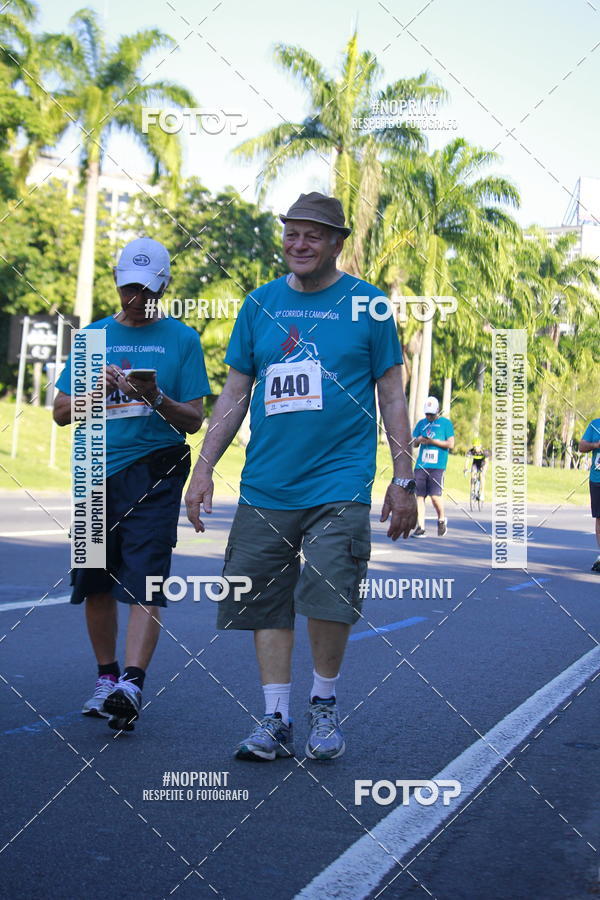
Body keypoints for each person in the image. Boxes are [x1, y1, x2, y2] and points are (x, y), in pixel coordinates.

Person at [185, 191, 417, 761]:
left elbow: (391, 395)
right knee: (263, 600)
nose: (300, 243)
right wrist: (205, 467)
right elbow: (235, 394)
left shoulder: (369, 307)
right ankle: (275, 719)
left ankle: (324, 706)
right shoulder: (259, 305)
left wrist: (404, 478)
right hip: (267, 481)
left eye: (314, 234)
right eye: (292, 233)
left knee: (331, 589)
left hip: (340, 479)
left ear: (338, 243)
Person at [54, 237, 210, 730]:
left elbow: (194, 420)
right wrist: (95, 392)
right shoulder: (93, 337)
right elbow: (60, 413)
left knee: (146, 580)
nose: (136, 297)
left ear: (164, 286)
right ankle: (107, 677)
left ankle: (133, 684)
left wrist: (155, 395)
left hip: (155, 471)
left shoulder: (182, 339)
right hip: (93, 471)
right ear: (117, 283)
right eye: (128, 287)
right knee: (94, 583)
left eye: (146, 288)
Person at [411, 396, 455, 537]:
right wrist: (419, 440)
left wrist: (433, 441)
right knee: (419, 496)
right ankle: (421, 527)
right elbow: (414, 443)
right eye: (427, 414)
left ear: (437, 411)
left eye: (431, 414)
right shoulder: (421, 424)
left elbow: (450, 444)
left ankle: (441, 519)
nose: (428, 416)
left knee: (435, 496)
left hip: (438, 465)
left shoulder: (445, 424)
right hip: (421, 465)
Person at [579, 417, 600, 573]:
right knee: (599, 518)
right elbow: (581, 446)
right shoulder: (595, 425)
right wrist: (596, 445)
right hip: (597, 479)